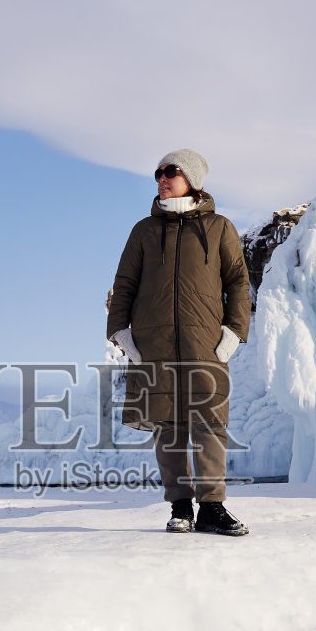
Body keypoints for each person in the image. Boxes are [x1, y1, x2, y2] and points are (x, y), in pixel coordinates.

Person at [106, 149, 251, 536]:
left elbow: (238, 281)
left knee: (209, 423)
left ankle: (213, 507)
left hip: (205, 343)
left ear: (193, 179)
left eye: (171, 171)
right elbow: (124, 285)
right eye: (158, 173)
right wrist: (120, 331)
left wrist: (234, 331)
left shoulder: (220, 227)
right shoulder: (144, 231)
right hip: (154, 345)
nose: (162, 179)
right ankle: (180, 507)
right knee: (168, 428)